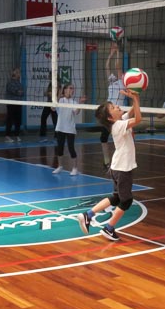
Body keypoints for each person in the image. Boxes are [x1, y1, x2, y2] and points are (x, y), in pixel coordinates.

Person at [76, 88, 142, 241]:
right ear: (110, 117)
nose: (117, 106)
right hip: (123, 168)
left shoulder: (119, 121)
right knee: (126, 201)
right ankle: (109, 228)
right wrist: (135, 100)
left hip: (117, 167)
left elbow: (133, 111)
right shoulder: (118, 126)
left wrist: (135, 96)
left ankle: (88, 215)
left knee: (117, 198)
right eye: (113, 107)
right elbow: (138, 119)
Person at [100, 44, 126, 167]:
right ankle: (106, 161)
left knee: (119, 139)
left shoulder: (122, 83)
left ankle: (120, 161)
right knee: (103, 138)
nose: (118, 74)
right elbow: (106, 67)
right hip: (108, 113)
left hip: (118, 114)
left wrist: (118, 52)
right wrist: (110, 54)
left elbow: (117, 66)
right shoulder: (111, 82)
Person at [52, 84, 85, 176]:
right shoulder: (60, 100)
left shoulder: (74, 102)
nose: (72, 90)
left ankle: (75, 168)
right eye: (70, 88)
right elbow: (53, 108)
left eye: (73, 89)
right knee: (60, 148)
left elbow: (77, 112)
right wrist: (59, 94)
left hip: (70, 128)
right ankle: (60, 166)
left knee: (71, 148)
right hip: (60, 128)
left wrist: (80, 103)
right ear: (65, 90)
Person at [4, 68, 24, 143]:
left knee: (18, 120)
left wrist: (19, 92)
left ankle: (17, 135)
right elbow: (15, 91)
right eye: (18, 72)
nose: (19, 73)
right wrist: (18, 92)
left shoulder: (19, 83)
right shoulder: (10, 83)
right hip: (11, 103)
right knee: (10, 120)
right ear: (14, 73)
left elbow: (22, 92)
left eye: (19, 72)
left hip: (18, 103)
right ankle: (7, 136)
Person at [38, 75, 57, 143]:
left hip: (54, 103)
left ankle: (57, 136)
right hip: (49, 103)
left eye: (50, 76)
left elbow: (55, 93)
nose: (49, 77)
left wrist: (48, 93)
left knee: (55, 120)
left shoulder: (57, 83)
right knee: (43, 118)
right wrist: (47, 93)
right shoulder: (50, 83)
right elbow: (49, 93)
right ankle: (43, 136)